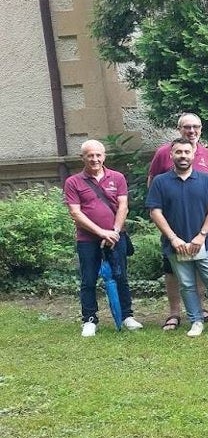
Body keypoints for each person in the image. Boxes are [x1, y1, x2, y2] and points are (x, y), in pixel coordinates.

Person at [145, 138, 208, 337]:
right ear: (171, 155)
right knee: (187, 285)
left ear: (194, 155)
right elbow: (155, 211)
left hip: (204, 242)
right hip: (175, 245)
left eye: (187, 152)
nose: (183, 156)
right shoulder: (160, 182)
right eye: (178, 152)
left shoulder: (205, 179)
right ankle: (196, 321)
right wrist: (173, 239)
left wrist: (202, 235)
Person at [63, 139, 141, 336]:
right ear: (83, 158)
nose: (95, 159)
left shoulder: (118, 177)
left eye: (98, 155)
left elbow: (123, 206)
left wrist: (114, 231)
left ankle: (127, 316)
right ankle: (89, 320)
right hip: (87, 239)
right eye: (90, 155)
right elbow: (76, 213)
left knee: (121, 276)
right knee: (88, 280)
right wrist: (101, 232)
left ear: (104, 156)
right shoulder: (73, 182)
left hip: (117, 237)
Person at [147, 113, 208, 331]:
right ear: (179, 129)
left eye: (196, 127)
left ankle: (202, 309)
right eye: (187, 127)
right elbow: (153, 182)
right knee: (172, 270)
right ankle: (174, 312)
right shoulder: (163, 153)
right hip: (172, 223)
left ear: (201, 130)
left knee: (200, 266)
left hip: (199, 223)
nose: (191, 131)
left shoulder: (206, 153)